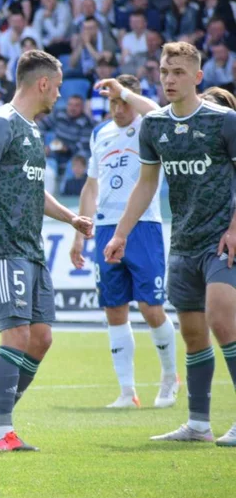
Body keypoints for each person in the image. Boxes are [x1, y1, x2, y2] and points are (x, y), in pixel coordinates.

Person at [0, 50, 94, 452]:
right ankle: (3, 432)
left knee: (41, 339)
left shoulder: (32, 131)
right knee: (15, 335)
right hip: (4, 245)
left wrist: (71, 219)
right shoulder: (1, 123)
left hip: (32, 249)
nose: (60, 95)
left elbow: (35, 189)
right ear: (43, 83)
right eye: (59, 87)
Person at [104, 42, 236, 445]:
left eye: (178, 72)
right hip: (181, 243)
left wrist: (234, 228)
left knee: (222, 319)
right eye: (164, 71)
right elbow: (146, 185)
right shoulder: (155, 126)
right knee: (194, 334)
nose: (169, 79)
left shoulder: (224, 121)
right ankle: (198, 424)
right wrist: (121, 232)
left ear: (198, 77)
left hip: (222, 241)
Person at [70, 74, 178, 408]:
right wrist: (79, 233)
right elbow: (91, 186)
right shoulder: (100, 133)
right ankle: (127, 391)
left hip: (143, 225)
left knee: (150, 307)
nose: (117, 108)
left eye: (121, 101)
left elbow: (159, 111)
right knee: (114, 309)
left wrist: (127, 93)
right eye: (112, 102)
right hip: (105, 228)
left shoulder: (148, 122)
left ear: (131, 98)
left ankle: (170, 376)